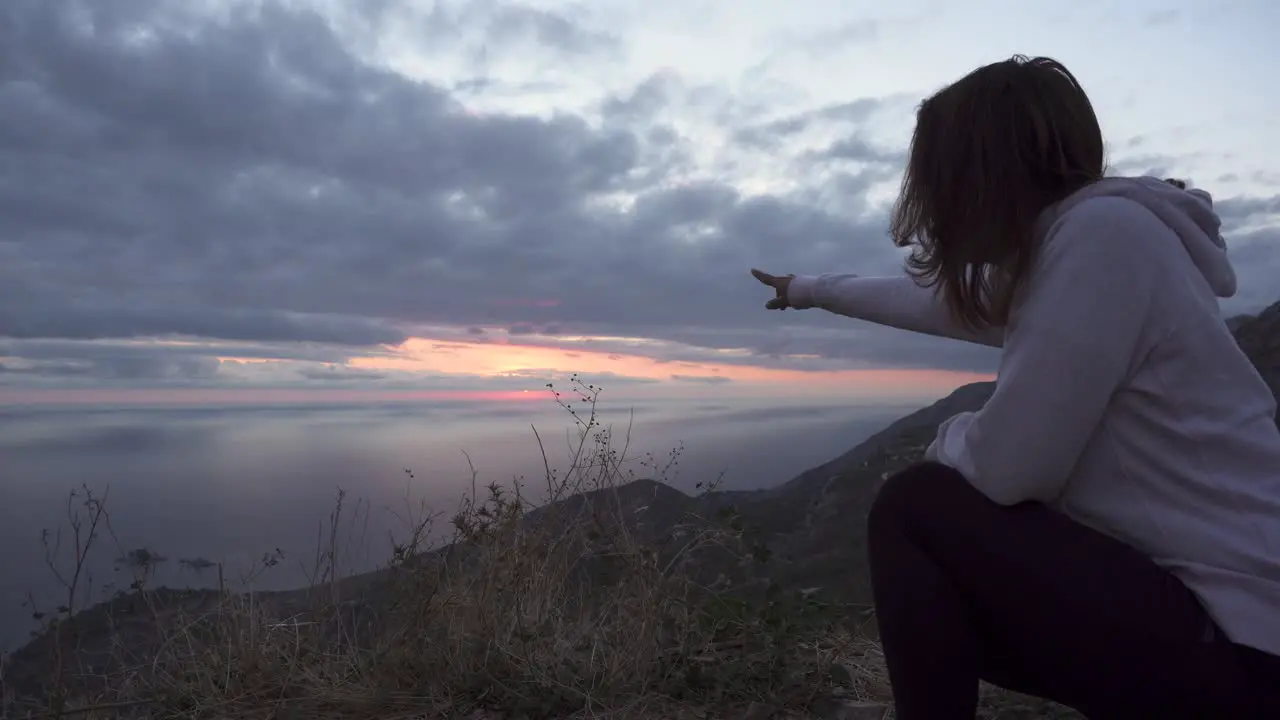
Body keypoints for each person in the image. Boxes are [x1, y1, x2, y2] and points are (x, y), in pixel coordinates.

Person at [751, 55, 1280, 719]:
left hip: (1247, 645)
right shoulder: (1077, 248)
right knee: (948, 592)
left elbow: (1010, 472)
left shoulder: (1103, 239)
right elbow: (937, 302)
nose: (935, 197)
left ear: (984, 170)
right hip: (1217, 622)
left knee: (915, 508)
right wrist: (809, 291)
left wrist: (949, 441)